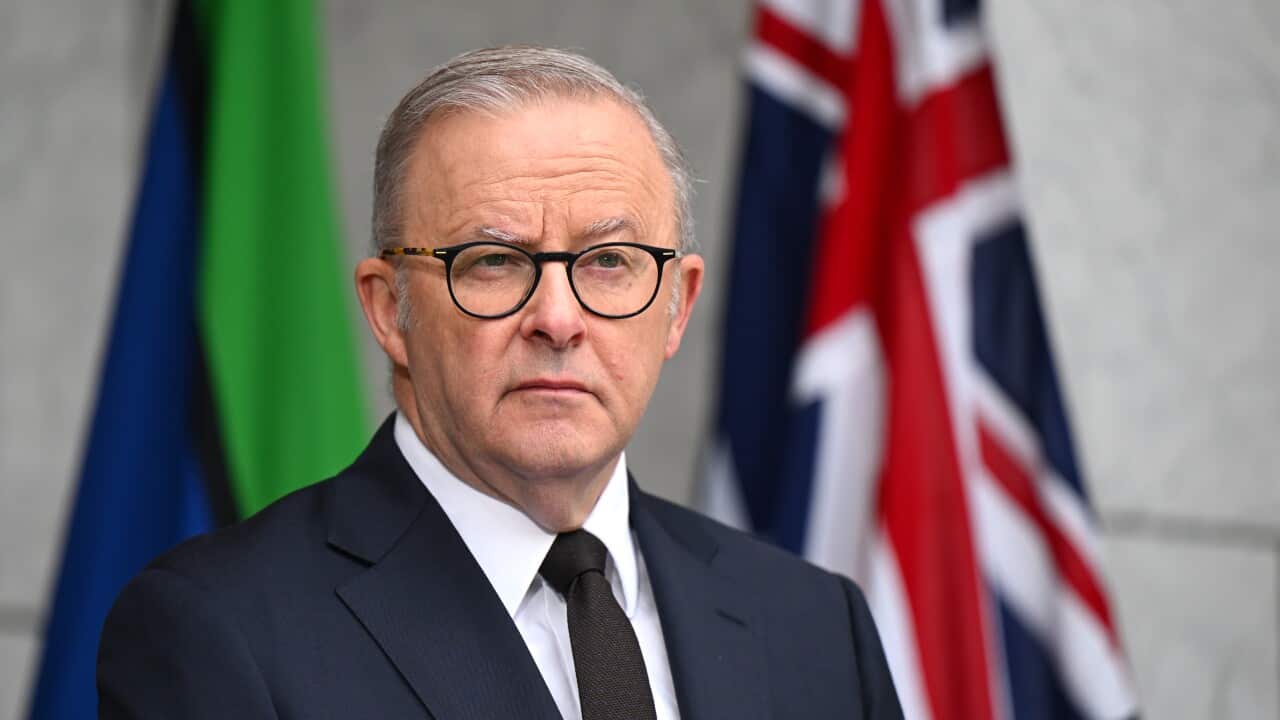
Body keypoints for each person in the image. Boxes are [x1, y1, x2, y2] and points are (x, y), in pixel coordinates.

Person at [97, 46, 903, 719]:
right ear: (388, 309)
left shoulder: (815, 627)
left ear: (677, 305)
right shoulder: (217, 632)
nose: (558, 318)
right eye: (493, 261)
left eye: (609, 261)